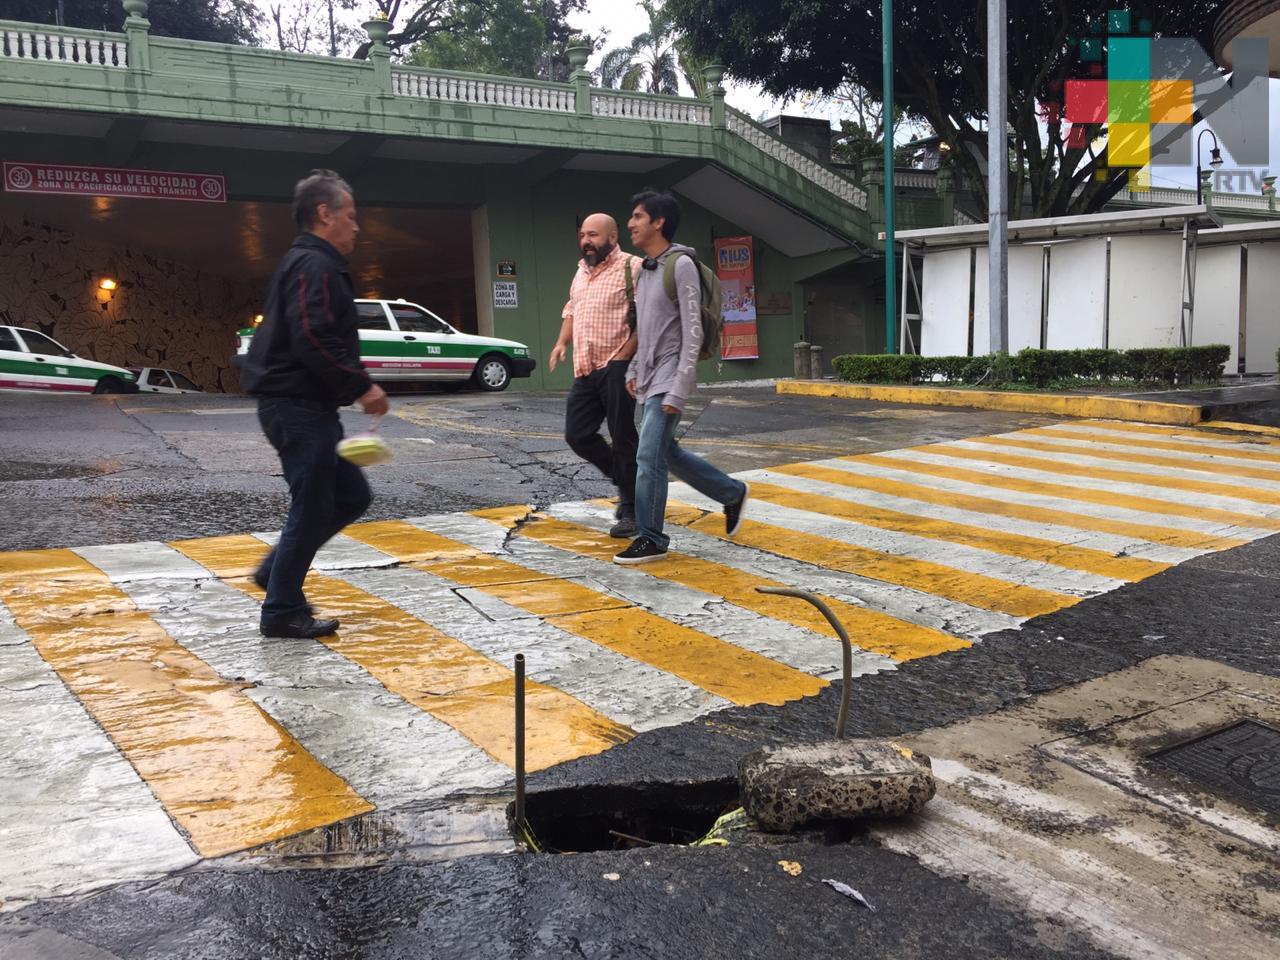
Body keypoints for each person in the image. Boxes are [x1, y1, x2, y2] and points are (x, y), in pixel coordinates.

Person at [240, 169, 389, 638]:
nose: (356, 226)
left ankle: (274, 572)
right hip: (295, 405)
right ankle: (281, 610)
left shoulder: (312, 263)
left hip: (307, 405)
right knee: (314, 503)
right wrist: (361, 386)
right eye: (351, 215)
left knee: (350, 495)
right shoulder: (314, 265)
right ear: (325, 215)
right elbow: (313, 335)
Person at [616, 189, 748, 564]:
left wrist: (681, 384)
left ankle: (651, 537)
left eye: (638, 216)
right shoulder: (644, 272)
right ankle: (731, 493)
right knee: (665, 452)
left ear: (659, 222)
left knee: (648, 456)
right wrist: (634, 368)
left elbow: (693, 331)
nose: (631, 223)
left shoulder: (682, 265)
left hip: (672, 375)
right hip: (650, 375)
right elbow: (648, 328)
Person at [549, 212, 640, 538]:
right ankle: (627, 479)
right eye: (583, 235)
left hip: (617, 366)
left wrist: (626, 355)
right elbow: (572, 310)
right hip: (585, 368)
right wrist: (561, 342)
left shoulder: (633, 267)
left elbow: (649, 316)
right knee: (577, 434)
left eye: (594, 235)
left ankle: (631, 510)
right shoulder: (580, 272)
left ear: (612, 238)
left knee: (624, 439)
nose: (586, 241)